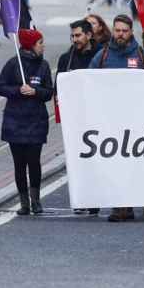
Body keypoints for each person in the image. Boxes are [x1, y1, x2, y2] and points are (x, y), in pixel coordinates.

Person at [89, 15, 144, 221]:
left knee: (136, 164)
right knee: (115, 164)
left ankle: (136, 201)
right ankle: (121, 206)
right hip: (110, 121)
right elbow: (89, 81)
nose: (120, 34)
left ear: (131, 32)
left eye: (124, 31)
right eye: (117, 30)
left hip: (137, 121)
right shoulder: (102, 56)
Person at [0, 29, 54, 216]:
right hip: (15, 122)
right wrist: (18, 90)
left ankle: (36, 200)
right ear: (30, 45)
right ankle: (24, 203)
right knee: (19, 164)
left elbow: (48, 92)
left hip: (36, 122)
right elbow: (0, 87)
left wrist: (35, 91)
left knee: (34, 162)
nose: (43, 46)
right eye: (40, 43)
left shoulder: (44, 66)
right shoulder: (13, 64)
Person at [56, 19, 98, 215]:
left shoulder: (101, 55)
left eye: (78, 35)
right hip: (75, 118)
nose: (75, 39)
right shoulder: (66, 59)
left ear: (89, 35)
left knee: (95, 159)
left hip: (96, 116)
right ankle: (82, 197)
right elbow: (59, 88)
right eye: (72, 36)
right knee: (77, 160)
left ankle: (95, 198)